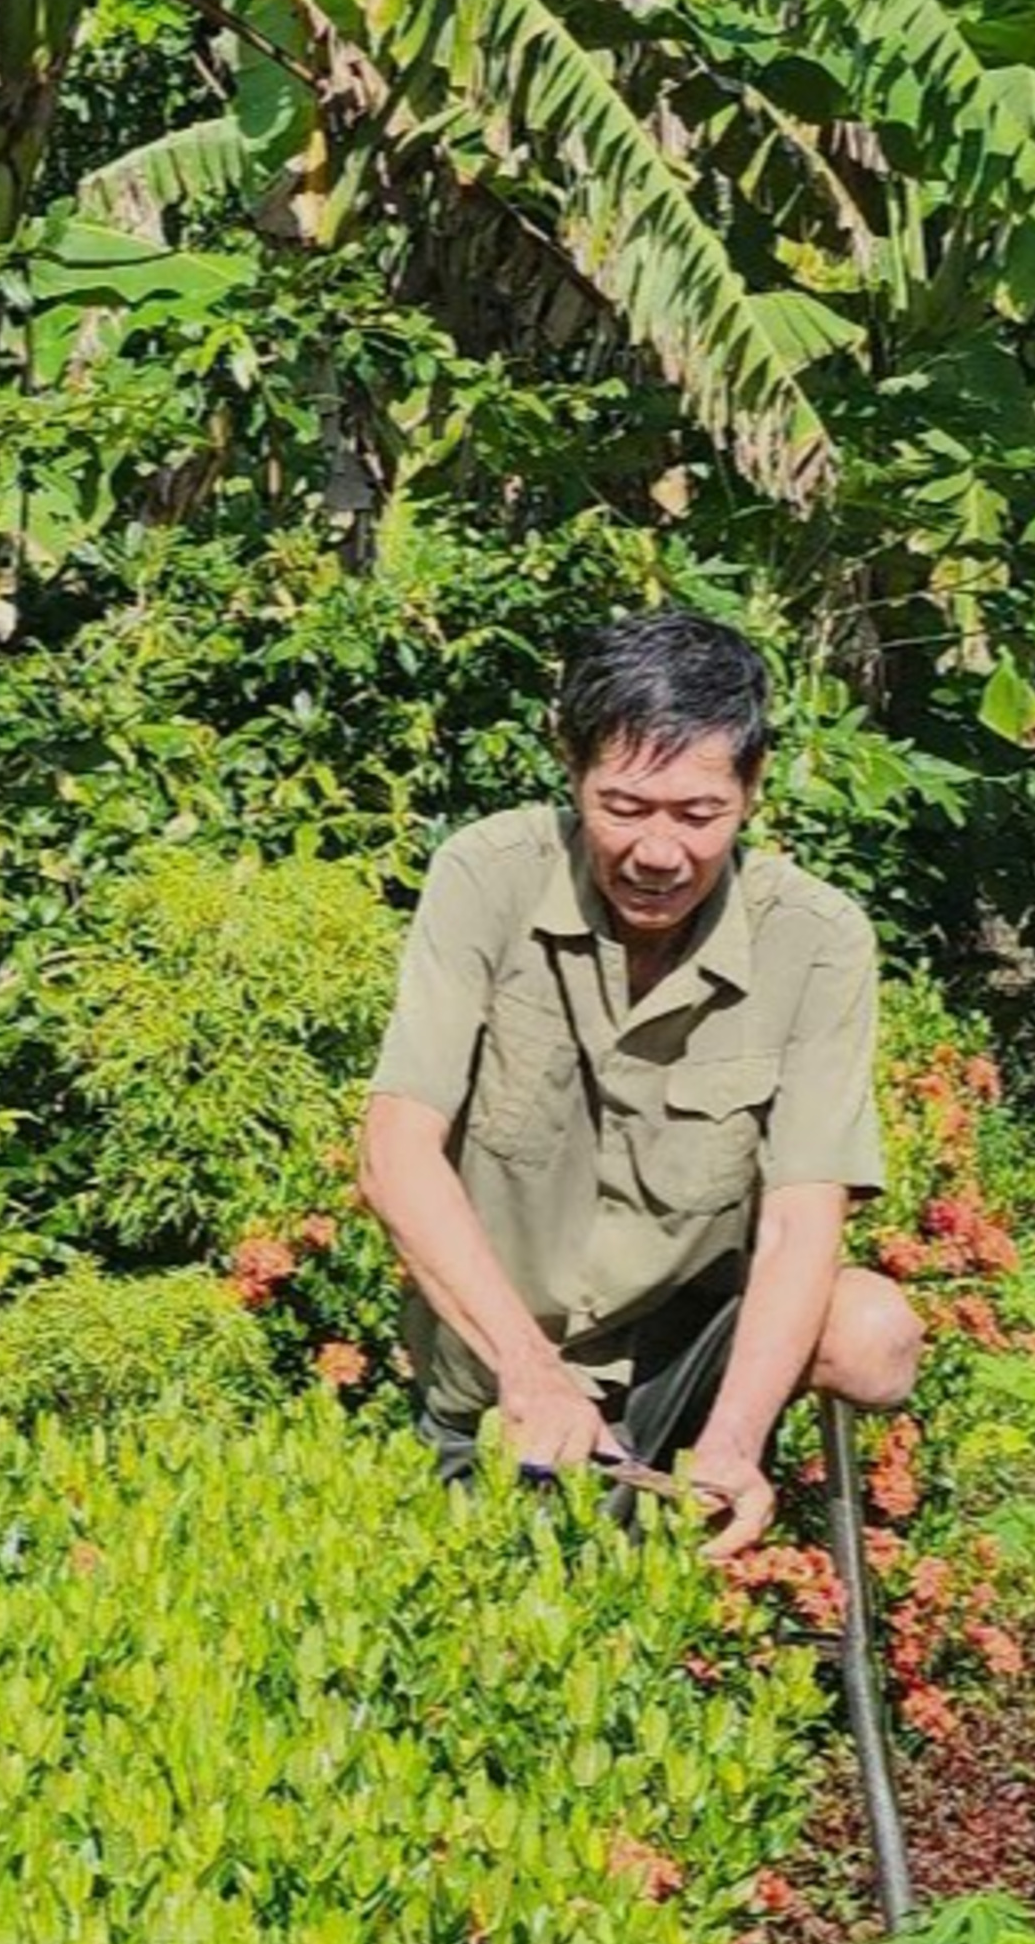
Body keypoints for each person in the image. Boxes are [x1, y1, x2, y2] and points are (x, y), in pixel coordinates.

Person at [357, 609, 922, 1561]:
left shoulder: (818, 939)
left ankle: (744, 1513)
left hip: (684, 1359)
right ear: (570, 773)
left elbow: (799, 1217)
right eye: (623, 807)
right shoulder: (485, 877)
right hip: (503, 1362)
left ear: (751, 789)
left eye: (700, 816)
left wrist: (735, 1444)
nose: (660, 853)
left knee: (872, 1329)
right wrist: (528, 1372)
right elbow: (395, 1150)